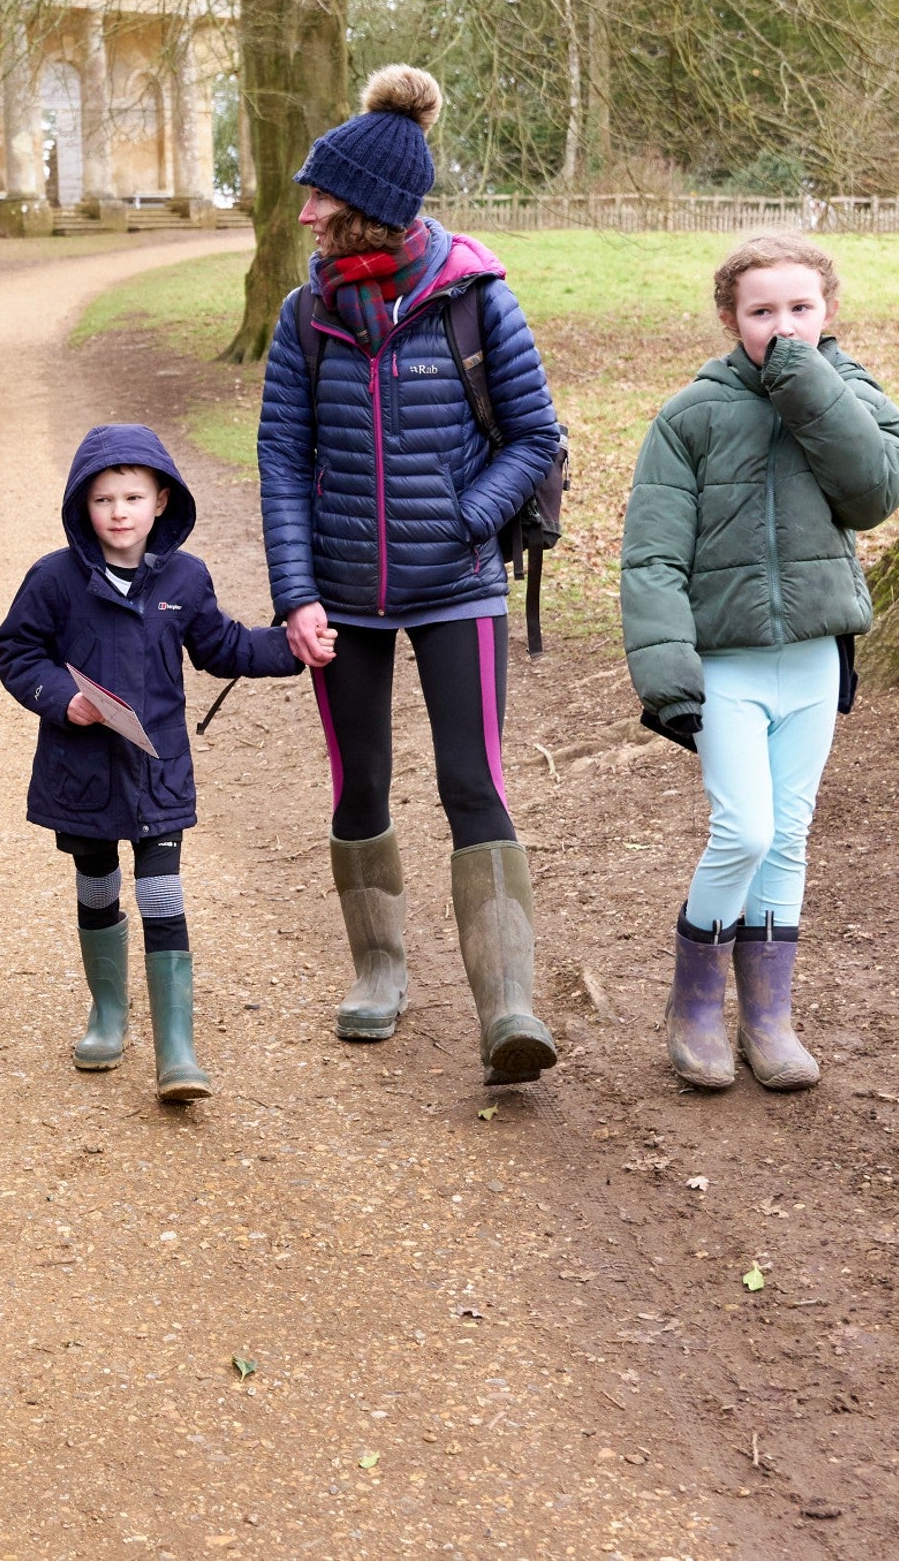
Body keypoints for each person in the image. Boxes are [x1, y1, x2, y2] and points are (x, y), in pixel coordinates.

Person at [255, 66, 570, 1085]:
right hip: (341, 595)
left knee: (472, 783)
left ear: (372, 211)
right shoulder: (305, 317)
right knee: (361, 784)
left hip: (459, 587)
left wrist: (464, 518)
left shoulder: (475, 301)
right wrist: (296, 595)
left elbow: (536, 439)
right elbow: (281, 462)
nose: (304, 213)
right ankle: (379, 971)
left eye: (321, 199)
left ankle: (507, 1007)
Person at [621, 234, 899, 1092]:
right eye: (762, 312)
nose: (782, 325)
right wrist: (666, 671)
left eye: (800, 308)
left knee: (787, 840)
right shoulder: (692, 415)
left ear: (828, 313)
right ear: (730, 319)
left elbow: (876, 491)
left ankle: (768, 1017)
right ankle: (695, 1006)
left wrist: (810, 388)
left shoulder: (851, 393)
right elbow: (650, 558)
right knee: (743, 831)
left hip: (816, 658)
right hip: (728, 666)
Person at [0, 426, 300, 1101]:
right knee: (97, 884)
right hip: (82, 773)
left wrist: (292, 648)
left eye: (132, 496)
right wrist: (62, 698)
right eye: (103, 499)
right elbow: (16, 652)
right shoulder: (55, 580)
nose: (119, 512)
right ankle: (107, 1016)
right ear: (83, 507)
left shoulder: (184, 579)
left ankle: (177, 1048)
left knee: (162, 892)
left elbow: (221, 646)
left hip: (158, 771)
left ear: (162, 500)